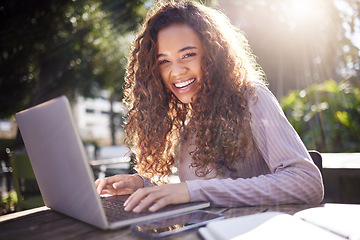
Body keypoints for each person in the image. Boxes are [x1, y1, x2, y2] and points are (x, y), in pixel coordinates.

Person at [95, 0, 324, 213]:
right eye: (164, 61)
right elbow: (199, 187)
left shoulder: (250, 96)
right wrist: (141, 184)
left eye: (188, 55)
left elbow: (306, 181)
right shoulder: (189, 116)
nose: (176, 71)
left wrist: (191, 191)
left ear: (213, 54)